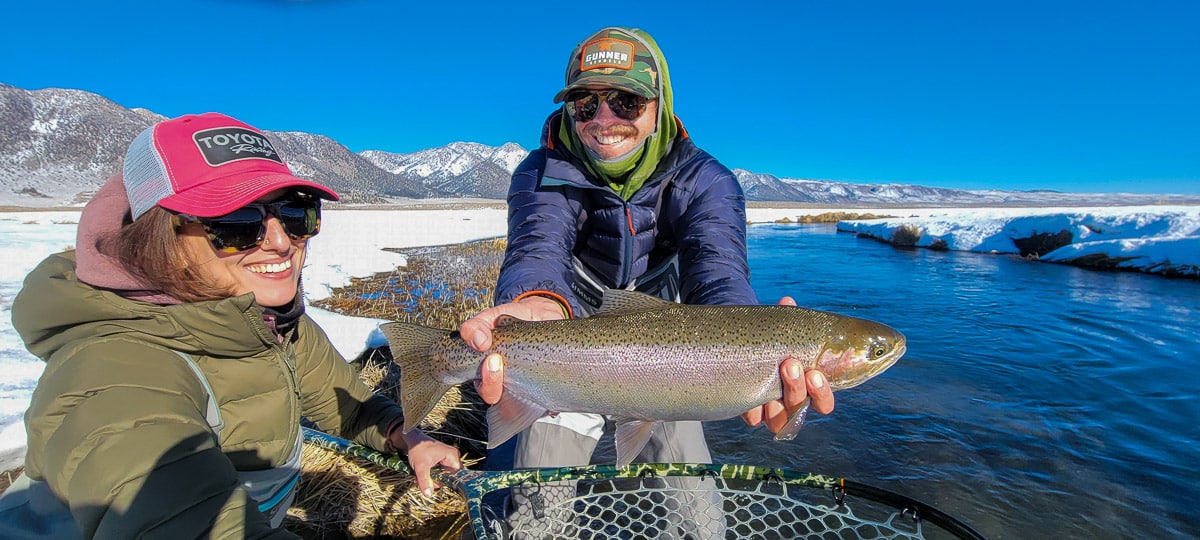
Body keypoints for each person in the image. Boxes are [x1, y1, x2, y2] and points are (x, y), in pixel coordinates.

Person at [0, 112, 461, 539]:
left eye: (296, 215)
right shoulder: (117, 373)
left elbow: (352, 408)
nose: (281, 242)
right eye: (237, 223)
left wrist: (404, 435)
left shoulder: (264, 322)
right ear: (156, 236)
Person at [460, 27, 835, 534]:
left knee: (698, 521)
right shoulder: (543, 169)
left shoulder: (706, 180)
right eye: (584, 104)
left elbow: (717, 270)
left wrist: (758, 345)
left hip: (673, 349)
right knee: (534, 518)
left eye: (625, 101)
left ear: (660, 103)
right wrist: (535, 305)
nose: (604, 120)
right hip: (569, 341)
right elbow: (538, 248)